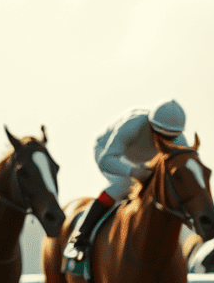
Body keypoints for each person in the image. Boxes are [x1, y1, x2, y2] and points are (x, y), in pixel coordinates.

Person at [65, 99, 190, 261]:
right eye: (160, 136)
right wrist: (134, 172)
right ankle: (80, 235)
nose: (164, 142)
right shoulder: (133, 124)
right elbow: (106, 160)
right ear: (151, 126)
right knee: (124, 184)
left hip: (145, 162)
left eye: (170, 138)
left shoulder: (180, 140)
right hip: (110, 153)